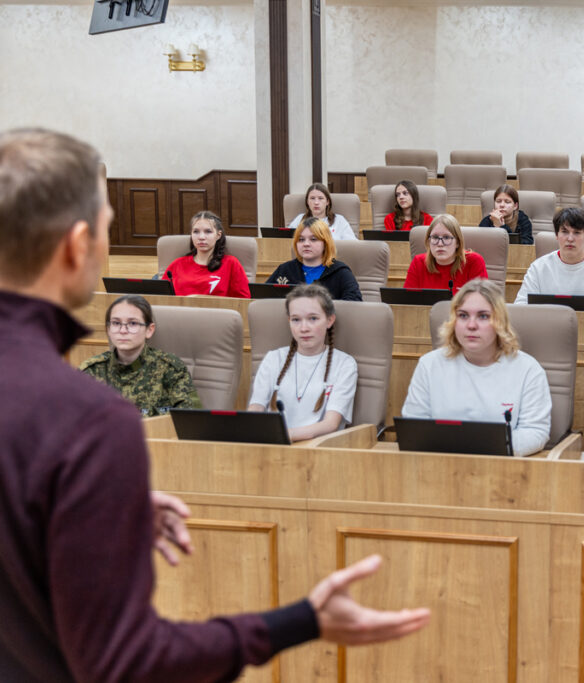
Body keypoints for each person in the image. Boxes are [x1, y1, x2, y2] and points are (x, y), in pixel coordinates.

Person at [0, 128, 428, 682]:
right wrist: (298, 621)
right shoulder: (87, 419)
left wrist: (84, 505)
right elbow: (128, 663)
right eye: (108, 230)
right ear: (77, 245)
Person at [402, 278, 552, 457]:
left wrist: (478, 447)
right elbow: (415, 427)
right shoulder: (429, 365)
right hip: (440, 468)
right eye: (463, 315)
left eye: (483, 316)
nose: (471, 325)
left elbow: (535, 432)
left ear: (499, 322)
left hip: (503, 470)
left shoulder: (529, 370)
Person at [248, 284, 359, 441]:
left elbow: (331, 424)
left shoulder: (345, 364)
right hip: (272, 444)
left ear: (329, 320)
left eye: (313, 318)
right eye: (296, 320)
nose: (303, 328)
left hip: (318, 449)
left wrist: (284, 435)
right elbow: (256, 408)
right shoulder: (274, 358)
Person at [80, 294, 202, 415]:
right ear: (108, 330)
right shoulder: (91, 370)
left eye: (133, 323)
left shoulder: (171, 369)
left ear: (149, 330)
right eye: (116, 323)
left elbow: (191, 419)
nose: (123, 331)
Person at [514, 206, 584, 312]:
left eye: (577, 233)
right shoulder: (538, 268)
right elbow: (521, 308)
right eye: (564, 232)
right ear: (556, 235)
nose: (570, 238)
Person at [267, 216, 363, 300]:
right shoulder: (285, 269)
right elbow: (263, 297)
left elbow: (354, 305)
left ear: (325, 243)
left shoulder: (341, 272)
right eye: (301, 240)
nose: (306, 244)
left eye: (313, 239)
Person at [162, 210, 252, 298]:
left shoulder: (231, 263)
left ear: (218, 235)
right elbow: (161, 297)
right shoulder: (177, 264)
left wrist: (201, 299)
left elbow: (243, 301)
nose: (201, 237)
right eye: (196, 232)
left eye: (208, 231)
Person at [403, 214, 488, 293]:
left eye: (446, 237)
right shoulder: (418, 262)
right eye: (435, 237)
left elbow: (483, 302)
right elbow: (408, 303)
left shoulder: (474, 261)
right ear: (428, 241)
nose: (440, 244)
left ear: (458, 242)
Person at [288, 182, 357, 241]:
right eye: (312, 198)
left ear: (327, 202)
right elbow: (286, 240)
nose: (316, 202)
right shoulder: (300, 219)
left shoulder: (339, 220)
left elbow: (352, 245)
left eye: (320, 198)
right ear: (307, 202)